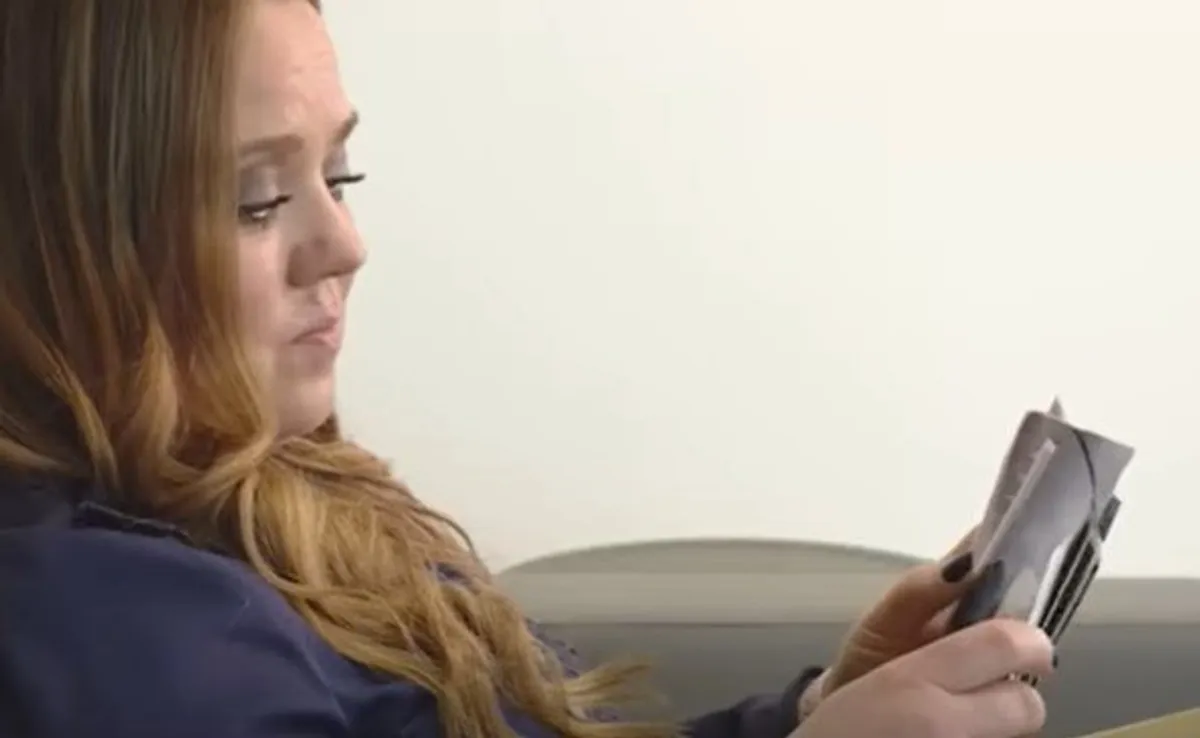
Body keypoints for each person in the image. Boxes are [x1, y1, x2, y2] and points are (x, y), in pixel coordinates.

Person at [0, 1, 1055, 737]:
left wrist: (820, 711)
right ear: (61, 241)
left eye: (339, 174)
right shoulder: (93, 629)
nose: (346, 246)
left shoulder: (268, 499)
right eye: (258, 199)